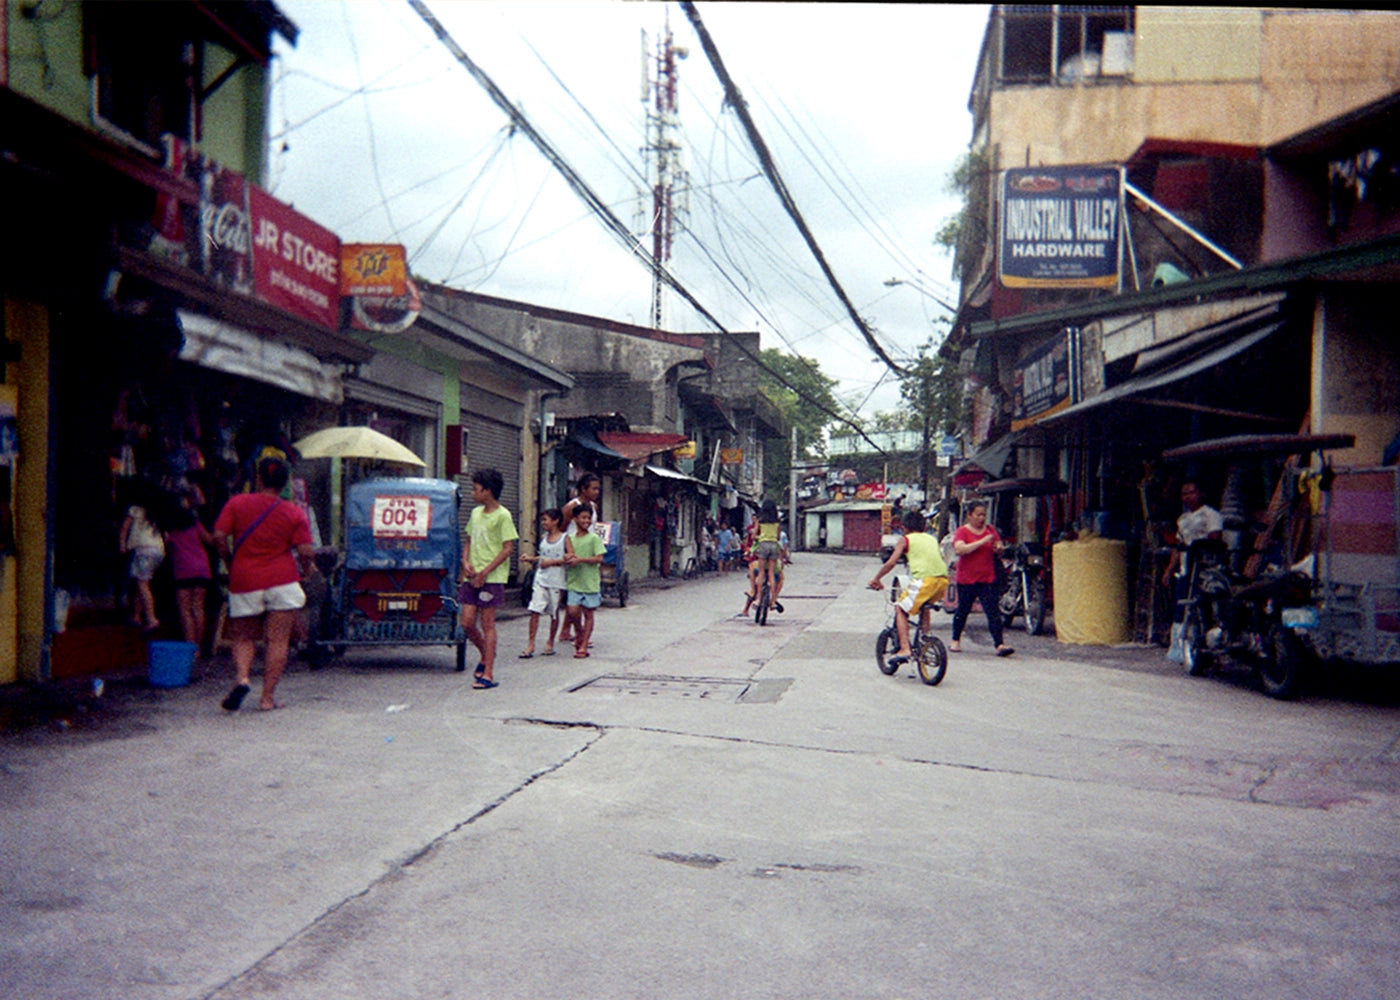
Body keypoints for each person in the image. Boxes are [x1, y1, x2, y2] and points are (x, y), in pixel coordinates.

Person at [213, 457, 315, 711]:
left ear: (258, 478)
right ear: (285, 483)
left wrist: (229, 560)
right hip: (283, 580)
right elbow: (305, 550)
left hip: (245, 578)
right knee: (278, 641)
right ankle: (267, 698)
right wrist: (307, 569)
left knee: (244, 636)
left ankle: (243, 679)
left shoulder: (237, 503)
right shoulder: (293, 511)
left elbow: (218, 536)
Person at [458, 468, 517, 689]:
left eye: (476, 489)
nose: (473, 492)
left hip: (491, 578)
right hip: (471, 576)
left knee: (487, 623)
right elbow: (469, 541)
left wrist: (485, 572)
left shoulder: (503, 516)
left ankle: (488, 673)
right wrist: (465, 562)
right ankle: (486, 652)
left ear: (488, 491)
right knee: (466, 622)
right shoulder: (475, 514)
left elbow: (507, 548)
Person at [869, 509, 949, 661]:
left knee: (900, 608)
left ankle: (905, 648)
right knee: (924, 606)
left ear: (904, 528)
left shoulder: (905, 540)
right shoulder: (931, 539)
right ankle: (925, 639)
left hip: (925, 580)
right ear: (924, 527)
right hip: (942, 580)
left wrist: (876, 579)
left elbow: (891, 562)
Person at [1162, 480, 1224, 662]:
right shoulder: (1183, 520)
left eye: (1191, 492)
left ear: (1201, 494)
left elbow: (1215, 541)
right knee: (1181, 606)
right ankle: (1178, 649)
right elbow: (1178, 546)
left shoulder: (1211, 515)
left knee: (1202, 605)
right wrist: (1169, 570)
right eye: (1184, 493)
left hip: (1204, 569)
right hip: (1185, 569)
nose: (1188, 497)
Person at [949, 499, 1014, 656]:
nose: (981, 518)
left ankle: (999, 644)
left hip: (987, 577)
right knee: (963, 609)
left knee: (992, 611)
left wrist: (999, 549)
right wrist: (982, 541)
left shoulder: (990, 529)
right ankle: (955, 640)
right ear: (969, 515)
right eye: (977, 515)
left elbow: (998, 548)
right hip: (967, 578)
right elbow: (960, 549)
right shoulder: (962, 532)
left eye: (983, 515)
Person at [165, 486, 216, 653]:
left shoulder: (169, 528)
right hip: (202, 568)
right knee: (198, 608)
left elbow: (166, 545)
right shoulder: (194, 523)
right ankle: (199, 648)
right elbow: (209, 541)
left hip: (183, 570)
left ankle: (190, 648)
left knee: (185, 610)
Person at [559, 474, 602, 644]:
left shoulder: (592, 506)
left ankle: (568, 631)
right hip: (573, 553)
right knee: (574, 593)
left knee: (581, 592)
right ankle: (573, 631)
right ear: (583, 489)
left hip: (588, 552)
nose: (596, 492)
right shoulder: (571, 507)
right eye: (594, 488)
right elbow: (561, 530)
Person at [519, 507, 566, 658]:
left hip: (556, 581)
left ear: (556, 520)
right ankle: (530, 644)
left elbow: (570, 558)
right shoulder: (544, 538)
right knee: (535, 610)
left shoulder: (565, 539)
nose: (543, 523)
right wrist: (531, 559)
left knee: (554, 612)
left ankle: (550, 642)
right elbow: (543, 557)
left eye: (546, 520)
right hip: (541, 579)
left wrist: (551, 563)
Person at [563, 503, 606, 658]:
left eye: (588, 518)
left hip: (590, 582)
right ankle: (579, 633)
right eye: (583, 517)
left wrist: (580, 560)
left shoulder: (594, 538)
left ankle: (583, 645)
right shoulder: (570, 539)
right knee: (572, 610)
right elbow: (565, 555)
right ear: (575, 519)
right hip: (574, 581)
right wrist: (567, 558)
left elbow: (599, 558)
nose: (586, 521)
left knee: (588, 613)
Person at [120, 492, 165, 633]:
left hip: (143, 549)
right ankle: (136, 615)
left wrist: (122, 544)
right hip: (157, 549)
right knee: (143, 581)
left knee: (142, 584)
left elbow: (124, 528)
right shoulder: (155, 512)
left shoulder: (135, 509)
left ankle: (151, 619)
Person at [745, 499, 783, 613]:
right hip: (774, 546)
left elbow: (753, 536)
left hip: (763, 545)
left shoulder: (760, 521)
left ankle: (758, 599)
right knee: (771, 573)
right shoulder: (777, 522)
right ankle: (772, 602)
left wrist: (761, 537)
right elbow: (778, 538)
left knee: (761, 572)